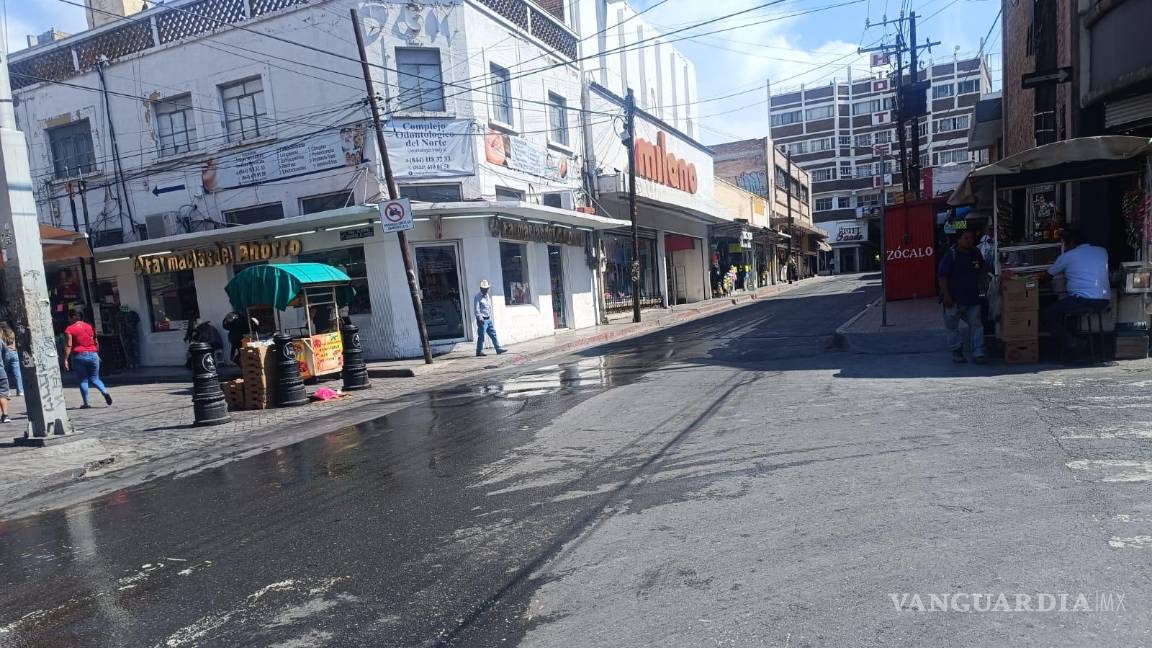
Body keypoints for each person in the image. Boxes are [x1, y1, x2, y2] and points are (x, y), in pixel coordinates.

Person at [1044, 229, 1110, 354]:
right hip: (1103, 300)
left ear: (1072, 242)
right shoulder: (1102, 251)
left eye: (1066, 244)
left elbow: (1047, 277)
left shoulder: (1067, 256)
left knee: (1049, 313)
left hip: (1083, 301)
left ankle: (1072, 342)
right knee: (1066, 308)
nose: (1066, 247)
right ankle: (1074, 343)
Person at [938, 229, 988, 363]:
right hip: (953, 300)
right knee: (953, 328)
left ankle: (978, 352)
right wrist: (947, 296)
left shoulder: (976, 253)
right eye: (965, 238)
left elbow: (982, 269)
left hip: (972, 298)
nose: (969, 240)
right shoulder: (951, 255)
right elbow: (942, 277)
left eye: (970, 238)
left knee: (977, 325)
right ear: (959, 240)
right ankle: (957, 352)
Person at [63, 309, 112, 409]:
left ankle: (86, 403)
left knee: (83, 380)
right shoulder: (89, 326)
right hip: (93, 354)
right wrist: (97, 354)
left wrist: (65, 359)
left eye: (69, 317)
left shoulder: (70, 329)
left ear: (72, 317)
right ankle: (105, 392)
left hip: (79, 356)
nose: (68, 319)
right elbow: (96, 342)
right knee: (95, 378)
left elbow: (69, 345)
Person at [474, 279, 507, 357]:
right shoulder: (477, 297)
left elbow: (488, 306)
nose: (486, 290)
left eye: (487, 288)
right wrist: (480, 317)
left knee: (493, 334)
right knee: (481, 336)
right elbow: (476, 309)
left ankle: (498, 349)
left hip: (488, 319)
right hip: (482, 320)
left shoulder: (487, 296)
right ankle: (479, 351)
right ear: (481, 289)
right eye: (485, 289)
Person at [0, 322, 23, 396]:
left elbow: (3, 345)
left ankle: (8, 391)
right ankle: (20, 391)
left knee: (5, 373)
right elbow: (14, 344)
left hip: (6, 353)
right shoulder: (12, 333)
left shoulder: (2, 333)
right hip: (14, 352)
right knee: (17, 373)